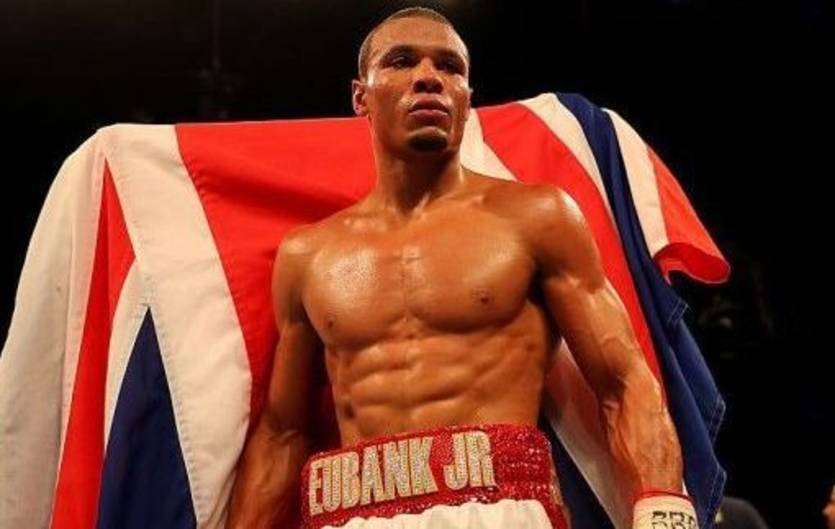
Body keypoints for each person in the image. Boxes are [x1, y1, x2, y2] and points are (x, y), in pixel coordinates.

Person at [226, 7, 696, 529]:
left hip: (500, 512)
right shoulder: (308, 255)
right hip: (352, 515)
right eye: (402, 61)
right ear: (361, 97)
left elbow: (624, 381)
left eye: (450, 67)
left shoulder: (536, 217)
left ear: (467, 99)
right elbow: (283, 432)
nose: (429, 77)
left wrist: (663, 509)